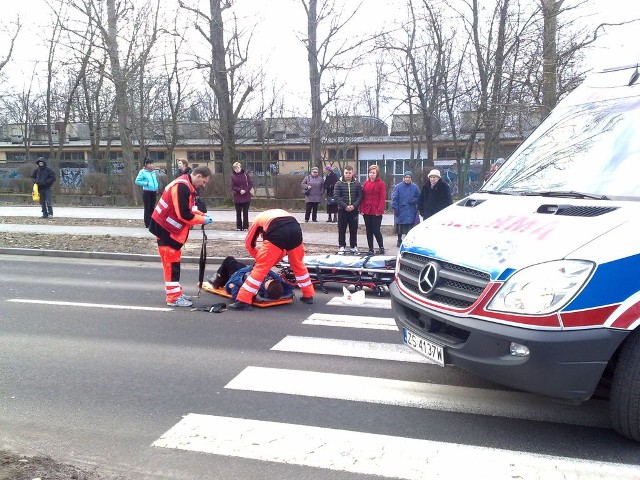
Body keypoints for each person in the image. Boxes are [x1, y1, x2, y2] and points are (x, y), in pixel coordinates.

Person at [149, 166, 213, 307]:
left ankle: (176, 293)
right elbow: (184, 214)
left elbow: (187, 209)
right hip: (166, 229)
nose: (204, 185)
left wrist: (201, 215)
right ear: (198, 176)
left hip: (165, 228)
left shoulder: (185, 185)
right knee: (171, 264)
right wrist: (202, 220)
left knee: (173, 263)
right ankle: (173, 298)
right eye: (204, 181)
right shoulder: (182, 187)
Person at [229, 208, 315, 311]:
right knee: (298, 264)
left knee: (260, 268)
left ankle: (244, 300)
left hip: (277, 229)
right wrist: (270, 260)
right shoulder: (270, 216)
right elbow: (281, 250)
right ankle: (308, 295)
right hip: (295, 228)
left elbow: (249, 244)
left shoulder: (257, 222)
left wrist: (260, 259)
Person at [208, 255, 293, 302]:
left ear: (266, 288)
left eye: (267, 282)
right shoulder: (276, 281)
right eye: (270, 279)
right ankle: (220, 279)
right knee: (239, 264)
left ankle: (217, 280)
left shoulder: (255, 289)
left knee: (229, 260)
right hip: (246, 271)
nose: (267, 279)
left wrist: (233, 287)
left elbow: (239, 296)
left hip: (238, 276)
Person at [334, 165, 363, 255]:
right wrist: (345, 206)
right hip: (342, 210)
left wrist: (354, 206)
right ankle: (341, 246)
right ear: (344, 173)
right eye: (346, 173)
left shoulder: (357, 184)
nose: (348, 175)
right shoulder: (338, 183)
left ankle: (353, 246)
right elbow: (336, 197)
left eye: (349, 173)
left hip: (354, 211)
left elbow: (360, 196)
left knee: (353, 229)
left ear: (352, 173)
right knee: (342, 229)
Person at [360, 164, 386, 255]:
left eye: (373, 173)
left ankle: (381, 247)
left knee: (376, 230)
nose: (371, 174)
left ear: (377, 173)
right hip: (367, 211)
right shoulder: (365, 184)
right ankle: (370, 248)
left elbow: (382, 198)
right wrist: (362, 209)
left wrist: (379, 210)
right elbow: (362, 197)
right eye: (370, 172)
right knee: (369, 230)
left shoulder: (381, 184)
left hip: (376, 211)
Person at [391, 171, 421, 247]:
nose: (407, 179)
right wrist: (395, 208)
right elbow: (394, 198)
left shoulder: (415, 187)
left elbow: (418, 196)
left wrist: (414, 200)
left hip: (411, 209)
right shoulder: (398, 187)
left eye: (409, 177)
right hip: (400, 209)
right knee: (400, 227)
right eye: (406, 177)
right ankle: (399, 239)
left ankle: (408, 240)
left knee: (409, 226)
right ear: (403, 178)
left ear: (411, 178)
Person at [134, 158, 159, 228]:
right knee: (147, 208)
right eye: (149, 164)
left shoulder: (153, 172)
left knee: (152, 207)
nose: (151, 165)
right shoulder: (143, 172)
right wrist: (146, 183)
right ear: (146, 164)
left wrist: (156, 187)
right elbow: (137, 181)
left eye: (152, 163)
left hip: (153, 191)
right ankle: (147, 223)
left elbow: (154, 181)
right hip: (147, 191)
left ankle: (152, 222)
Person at [231, 161, 253, 231]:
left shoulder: (246, 175)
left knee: (245, 213)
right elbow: (232, 186)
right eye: (235, 168)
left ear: (240, 167)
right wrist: (239, 190)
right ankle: (239, 226)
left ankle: (245, 227)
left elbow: (250, 184)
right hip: (237, 197)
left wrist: (245, 190)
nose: (237, 169)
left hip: (246, 197)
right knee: (238, 213)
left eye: (238, 168)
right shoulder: (232, 176)